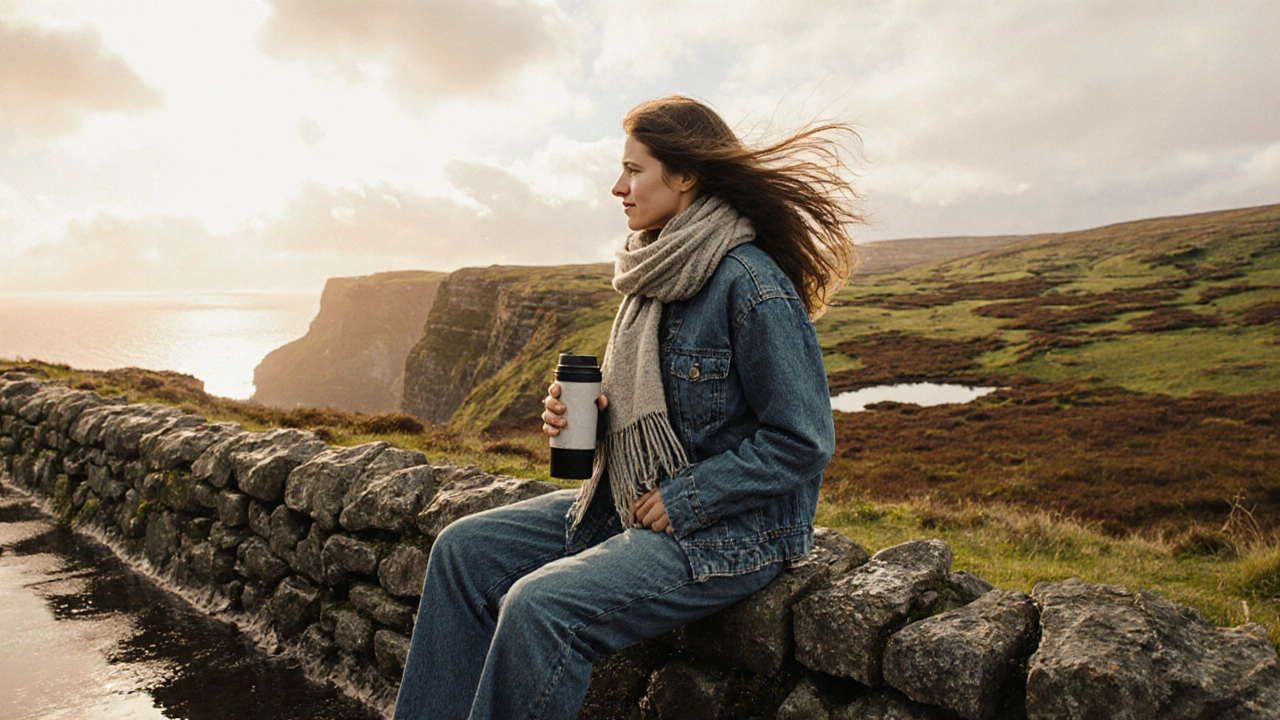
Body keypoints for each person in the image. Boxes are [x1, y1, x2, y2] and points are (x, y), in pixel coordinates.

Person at [394, 95, 863, 720]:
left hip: (730, 532)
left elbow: (804, 440)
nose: (618, 187)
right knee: (461, 552)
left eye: (634, 170)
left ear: (686, 174)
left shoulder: (752, 285)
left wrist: (687, 496)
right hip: (632, 498)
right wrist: (581, 420)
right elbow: (659, 415)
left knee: (541, 607)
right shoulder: (658, 267)